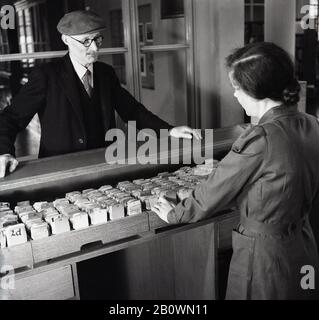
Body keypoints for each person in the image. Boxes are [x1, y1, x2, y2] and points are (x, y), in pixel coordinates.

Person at [153, 42, 319, 300]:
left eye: (237, 88)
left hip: (264, 255)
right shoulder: (312, 123)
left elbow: (213, 192)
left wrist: (175, 214)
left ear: (256, 91)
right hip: (302, 245)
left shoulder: (261, 138)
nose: (234, 95)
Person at [0, 10, 200, 178]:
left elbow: (133, 111)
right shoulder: (46, 76)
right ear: (66, 40)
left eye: (97, 39)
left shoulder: (106, 73)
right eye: (86, 41)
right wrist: (4, 152)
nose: (95, 48)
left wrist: (169, 130)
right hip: (60, 172)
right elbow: (10, 118)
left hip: (104, 165)